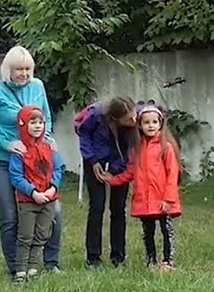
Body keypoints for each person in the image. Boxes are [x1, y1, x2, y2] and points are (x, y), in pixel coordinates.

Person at [0, 45, 64, 277]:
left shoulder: (37, 86)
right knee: (10, 214)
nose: (23, 74)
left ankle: (50, 261)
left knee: (52, 208)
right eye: (18, 69)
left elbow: (45, 119)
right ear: (8, 70)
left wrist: (47, 141)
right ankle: (17, 267)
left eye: (27, 69)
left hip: (36, 160)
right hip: (2, 161)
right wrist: (7, 144)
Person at [100, 103, 183, 271]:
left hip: (162, 200)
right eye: (146, 122)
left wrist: (168, 199)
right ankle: (151, 261)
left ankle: (168, 261)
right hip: (144, 201)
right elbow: (131, 172)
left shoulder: (165, 147)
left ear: (160, 124)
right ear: (140, 125)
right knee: (148, 232)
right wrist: (113, 180)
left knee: (166, 231)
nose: (150, 126)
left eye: (154, 122)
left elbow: (172, 174)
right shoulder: (136, 149)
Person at [74, 96, 137, 268]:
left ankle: (119, 256)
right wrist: (93, 160)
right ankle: (93, 257)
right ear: (114, 119)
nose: (133, 120)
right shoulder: (95, 115)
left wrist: (116, 171)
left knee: (118, 208)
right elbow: (83, 133)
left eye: (134, 115)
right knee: (97, 206)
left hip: (120, 163)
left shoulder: (134, 123)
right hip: (95, 160)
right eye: (128, 118)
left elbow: (131, 151)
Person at [9, 105, 66, 281]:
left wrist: (53, 188)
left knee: (42, 234)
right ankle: (20, 270)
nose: (38, 126)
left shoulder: (50, 148)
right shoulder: (20, 151)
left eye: (41, 122)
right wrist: (33, 193)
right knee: (25, 235)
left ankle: (33, 268)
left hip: (48, 199)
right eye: (32, 122)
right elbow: (16, 176)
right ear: (23, 124)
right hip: (28, 201)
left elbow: (58, 169)